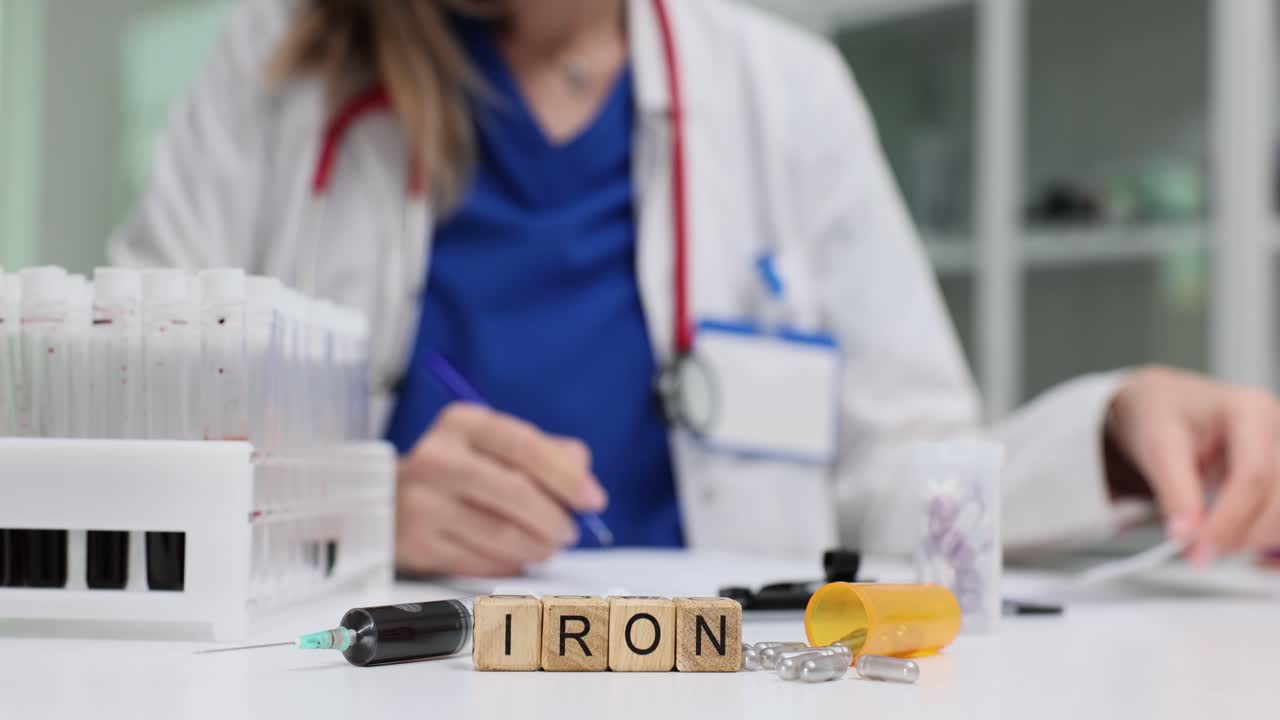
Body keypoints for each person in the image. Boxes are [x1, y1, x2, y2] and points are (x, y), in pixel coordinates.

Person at [111, 0, 1280, 577]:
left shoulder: (783, 95)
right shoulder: (274, 74)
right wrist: (357, 512)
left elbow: (902, 477)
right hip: (389, 675)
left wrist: (1113, 435)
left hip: (716, 679)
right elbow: (118, 420)